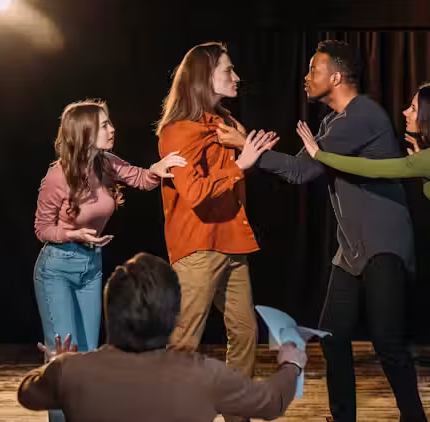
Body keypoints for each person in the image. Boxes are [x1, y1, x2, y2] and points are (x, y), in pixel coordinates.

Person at [217, 40, 427, 422]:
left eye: (314, 69)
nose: (306, 76)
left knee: (388, 342)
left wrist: (244, 146)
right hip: (351, 250)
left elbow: (301, 170)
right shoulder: (331, 122)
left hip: (383, 244)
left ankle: (415, 418)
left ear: (336, 77)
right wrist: (249, 145)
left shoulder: (362, 116)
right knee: (333, 335)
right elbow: (297, 169)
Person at [299, 82, 430, 422]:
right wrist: (418, 161)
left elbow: (375, 168)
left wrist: (319, 154)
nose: (405, 112)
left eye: (413, 108)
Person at [18, 252, 307, 422]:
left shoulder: (71, 372)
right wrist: (291, 365)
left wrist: (55, 363)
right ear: (173, 317)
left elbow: (28, 394)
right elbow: (270, 402)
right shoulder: (204, 374)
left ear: (110, 312)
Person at [33, 99, 186, 420]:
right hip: (57, 268)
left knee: (88, 355)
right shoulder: (58, 176)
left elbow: (140, 178)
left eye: (110, 123)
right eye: (104, 125)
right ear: (84, 132)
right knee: (63, 356)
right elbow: (42, 228)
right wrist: (73, 234)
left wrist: (157, 170)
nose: (112, 129)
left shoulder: (106, 163)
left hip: (91, 267)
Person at [155, 42, 278, 422]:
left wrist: (246, 149)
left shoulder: (225, 124)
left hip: (231, 241)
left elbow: (239, 169)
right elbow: (194, 192)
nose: (236, 77)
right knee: (184, 339)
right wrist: (241, 164)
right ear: (204, 77)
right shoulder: (178, 132)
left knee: (245, 333)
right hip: (198, 245)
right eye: (228, 70)